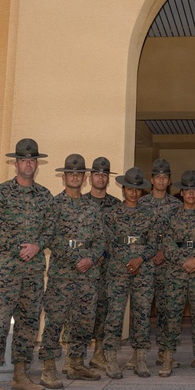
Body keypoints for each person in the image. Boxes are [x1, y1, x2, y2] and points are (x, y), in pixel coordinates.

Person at [0, 138, 55, 390]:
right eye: (24, 159)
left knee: (28, 323)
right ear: (15, 164)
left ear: (37, 164)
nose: (28, 163)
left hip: (33, 271)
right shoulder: (0, 194)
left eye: (33, 160)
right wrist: (19, 248)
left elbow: (50, 228)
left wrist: (38, 246)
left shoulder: (45, 196)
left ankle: (21, 376)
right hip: (5, 271)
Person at [37, 154, 105, 388]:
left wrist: (91, 258)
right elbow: (50, 237)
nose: (75, 177)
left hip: (88, 274)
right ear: (64, 177)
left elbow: (100, 239)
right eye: (70, 174)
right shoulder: (54, 204)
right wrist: (77, 257)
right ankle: (48, 368)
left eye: (79, 174)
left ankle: (75, 363)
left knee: (84, 321)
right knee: (55, 321)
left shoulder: (91, 207)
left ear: (85, 178)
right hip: (63, 274)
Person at [157, 170, 195, 377]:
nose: (191, 194)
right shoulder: (170, 216)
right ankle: (167, 357)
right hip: (176, 273)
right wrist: (183, 260)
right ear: (181, 193)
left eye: (194, 190)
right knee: (172, 315)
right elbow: (166, 243)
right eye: (187, 190)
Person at [102, 167, 157, 378]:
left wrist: (140, 259)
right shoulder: (113, 214)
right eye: (130, 188)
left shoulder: (149, 215)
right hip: (118, 270)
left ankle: (140, 359)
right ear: (123, 189)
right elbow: (107, 243)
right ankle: (111, 360)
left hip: (143, 270)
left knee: (142, 315)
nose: (134, 193)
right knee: (115, 314)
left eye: (138, 189)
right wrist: (127, 260)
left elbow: (153, 244)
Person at [141, 158, 182, 367]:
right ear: (151, 180)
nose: (161, 180)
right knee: (142, 310)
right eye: (157, 177)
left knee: (169, 310)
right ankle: (138, 354)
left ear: (169, 181)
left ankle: (167, 352)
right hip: (145, 265)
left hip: (169, 265)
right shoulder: (141, 203)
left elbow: (179, 235)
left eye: (165, 177)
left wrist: (165, 252)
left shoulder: (177, 206)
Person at [85, 156, 120, 372]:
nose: (101, 177)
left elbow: (118, 236)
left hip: (109, 266)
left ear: (108, 179)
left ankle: (99, 354)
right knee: (81, 310)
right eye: (97, 174)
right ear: (90, 177)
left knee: (105, 310)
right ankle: (75, 358)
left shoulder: (116, 206)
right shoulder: (81, 202)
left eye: (104, 175)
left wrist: (104, 253)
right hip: (85, 265)